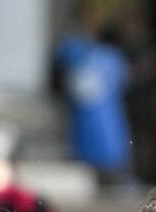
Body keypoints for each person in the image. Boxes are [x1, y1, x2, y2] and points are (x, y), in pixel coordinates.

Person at [53, 4, 133, 184]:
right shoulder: (73, 47)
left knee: (110, 145)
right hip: (86, 115)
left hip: (105, 114)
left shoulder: (109, 56)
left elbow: (124, 77)